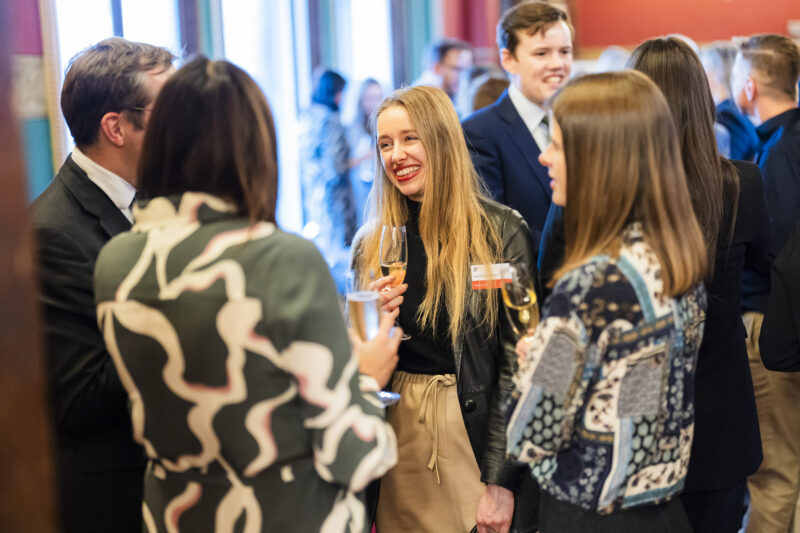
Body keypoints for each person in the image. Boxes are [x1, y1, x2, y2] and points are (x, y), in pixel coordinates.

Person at [93, 57, 400, 532]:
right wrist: (368, 373)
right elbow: (353, 453)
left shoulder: (116, 261)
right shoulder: (282, 259)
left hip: (175, 515)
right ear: (256, 148)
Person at [508, 70, 707, 533]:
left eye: (557, 145)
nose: (543, 157)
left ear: (598, 161)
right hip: (661, 511)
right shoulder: (671, 258)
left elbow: (530, 435)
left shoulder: (590, 287)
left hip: (590, 516)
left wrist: (533, 363)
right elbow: (638, 395)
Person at [352, 85, 538, 533]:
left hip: (472, 437)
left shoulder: (501, 232)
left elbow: (523, 363)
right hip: (396, 439)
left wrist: (501, 481)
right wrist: (374, 325)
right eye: (384, 143)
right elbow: (354, 361)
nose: (396, 155)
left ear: (442, 140)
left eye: (410, 138)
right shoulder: (370, 244)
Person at [29, 37, 174, 532]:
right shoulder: (51, 233)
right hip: (116, 497)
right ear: (116, 127)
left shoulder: (158, 198)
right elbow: (81, 399)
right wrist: (183, 308)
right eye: (170, 110)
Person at [730, 33, 800, 533]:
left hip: (771, 322)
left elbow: (775, 251)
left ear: (748, 87)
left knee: (774, 470)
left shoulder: (778, 156)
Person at [462, 1, 573, 245]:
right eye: (541, 53)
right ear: (509, 59)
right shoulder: (480, 132)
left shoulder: (579, 122)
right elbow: (495, 229)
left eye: (564, 51)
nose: (557, 64)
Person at [299, 69, 357, 294]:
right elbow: (336, 166)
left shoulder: (309, 117)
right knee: (341, 257)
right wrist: (362, 158)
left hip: (316, 196)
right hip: (336, 198)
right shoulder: (331, 120)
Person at [700, 41, 760, 160]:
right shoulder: (735, 109)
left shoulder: (726, 115)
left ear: (716, 73)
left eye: (704, 68)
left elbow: (732, 165)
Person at [347, 78, 384, 227]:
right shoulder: (352, 128)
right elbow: (344, 164)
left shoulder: (384, 124)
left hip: (382, 186)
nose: (373, 103)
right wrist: (368, 155)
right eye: (369, 98)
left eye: (377, 98)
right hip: (359, 190)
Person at [414, 38, 473, 102]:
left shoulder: (456, 96)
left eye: (467, 70)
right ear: (437, 68)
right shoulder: (421, 100)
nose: (464, 75)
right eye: (457, 69)